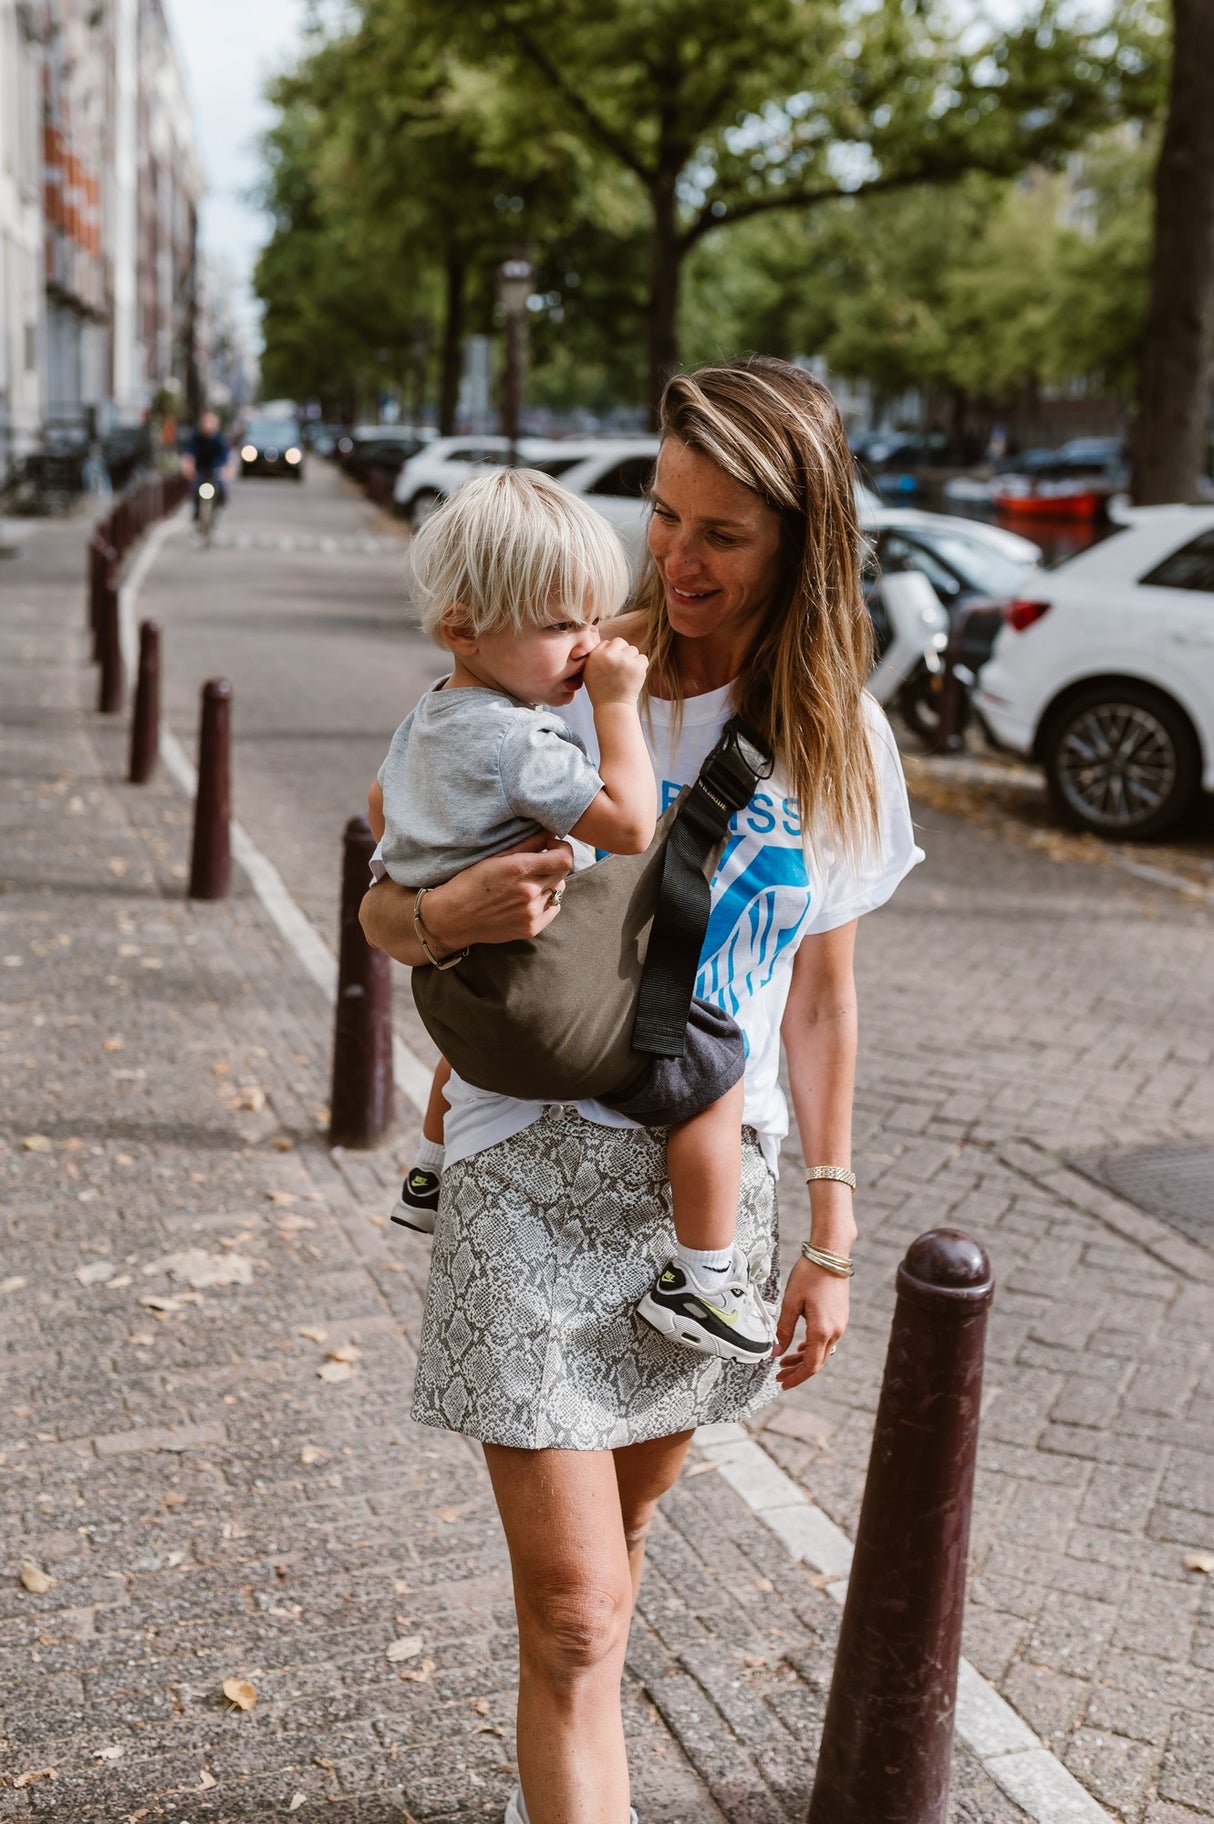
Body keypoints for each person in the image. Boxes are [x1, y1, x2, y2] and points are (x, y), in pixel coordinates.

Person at [360, 357, 922, 1824]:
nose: (672, 557)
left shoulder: (835, 744)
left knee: (621, 1557)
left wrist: (832, 1239)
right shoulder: (554, 678)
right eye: (664, 514)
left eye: (720, 533)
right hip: (524, 1159)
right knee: (573, 1612)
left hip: (703, 1199)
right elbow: (384, 890)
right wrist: (432, 922)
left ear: (801, 544)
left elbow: (819, 993)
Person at [373, 467, 773, 1360]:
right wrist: (616, 705)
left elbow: (386, 836)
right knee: (718, 1066)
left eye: (593, 619)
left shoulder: (425, 722)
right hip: (547, 1007)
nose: (588, 646)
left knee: (469, 1031)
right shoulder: (522, 741)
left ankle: (430, 1174)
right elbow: (631, 824)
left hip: (459, 1006)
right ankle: (705, 1278)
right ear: (463, 629)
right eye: (561, 627)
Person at [182, 410, 230, 522]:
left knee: (222, 488)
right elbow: (189, 453)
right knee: (194, 489)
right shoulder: (196, 438)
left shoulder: (219, 439)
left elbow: (225, 456)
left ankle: (219, 510)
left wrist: (225, 469)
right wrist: (188, 466)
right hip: (201, 470)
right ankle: (196, 512)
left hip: (215, 470)